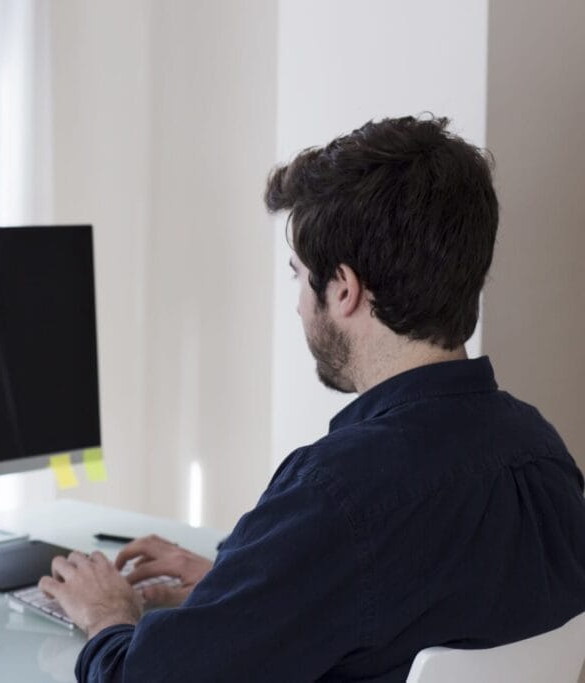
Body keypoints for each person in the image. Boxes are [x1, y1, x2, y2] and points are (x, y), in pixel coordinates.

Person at [38, 115, 585, 682]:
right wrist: (251, 592)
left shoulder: (338, 490)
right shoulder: (543, 454)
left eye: (299, 276)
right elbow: (423, 606)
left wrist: (107, 614)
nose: (299, 304)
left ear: (344, 290)